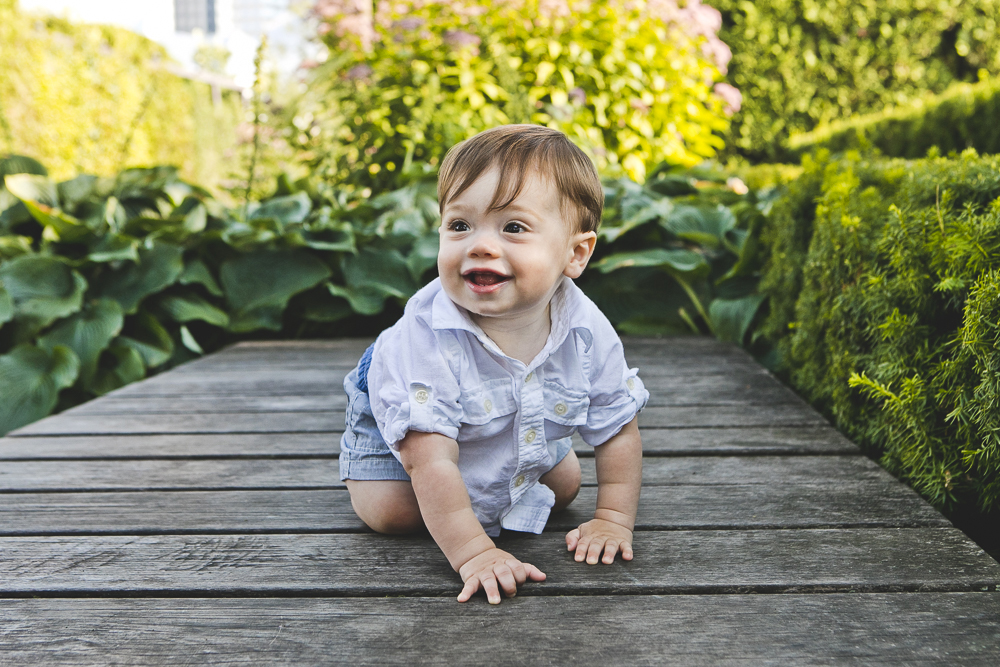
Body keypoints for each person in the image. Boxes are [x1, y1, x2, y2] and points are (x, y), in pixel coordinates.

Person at [339, 124, 648, 604]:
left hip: (499, 415)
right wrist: (474, 552)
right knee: (391, 512)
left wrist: (612, 518)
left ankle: (501, 464)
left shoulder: (586, 329)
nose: (480, 245)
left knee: (566, 486)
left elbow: (618, 427)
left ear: (576, 253)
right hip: (410, 432)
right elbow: (430, 458)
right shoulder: (427, 337)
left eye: (513, 227)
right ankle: (457, 487)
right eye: (460, 226)